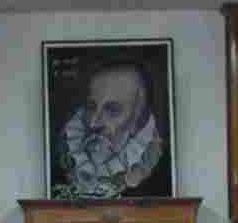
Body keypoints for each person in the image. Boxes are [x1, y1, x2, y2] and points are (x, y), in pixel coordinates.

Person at [55, 60, 169, 198]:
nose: (93, 123)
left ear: (138, 120)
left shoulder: (157, 174)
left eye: (112, 110)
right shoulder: (66, 157)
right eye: (91, 107)